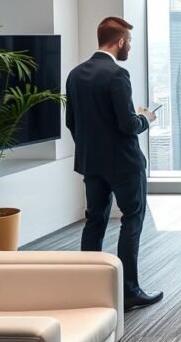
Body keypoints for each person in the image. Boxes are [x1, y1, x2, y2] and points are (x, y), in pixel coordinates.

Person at [65, 16, 162, 312]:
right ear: (119, 41)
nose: (129, 47)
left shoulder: (75, 74)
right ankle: (129, 291)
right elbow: (128, 125)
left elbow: (71, 122)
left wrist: (90, 147)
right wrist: (146, 117)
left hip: (91, 162)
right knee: (132, 220)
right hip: (124, 164)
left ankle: (88, 288)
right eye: (129, 42)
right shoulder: (117, 75)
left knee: (95, 220)